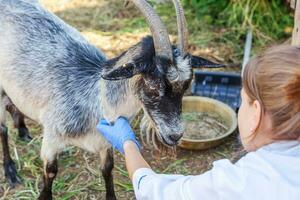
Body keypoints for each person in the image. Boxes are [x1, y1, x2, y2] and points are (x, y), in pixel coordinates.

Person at [97, 45, 300, 200]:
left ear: (255, 113)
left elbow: (154, 191)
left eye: (243, 101)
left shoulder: (239, 183)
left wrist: (128, 142)